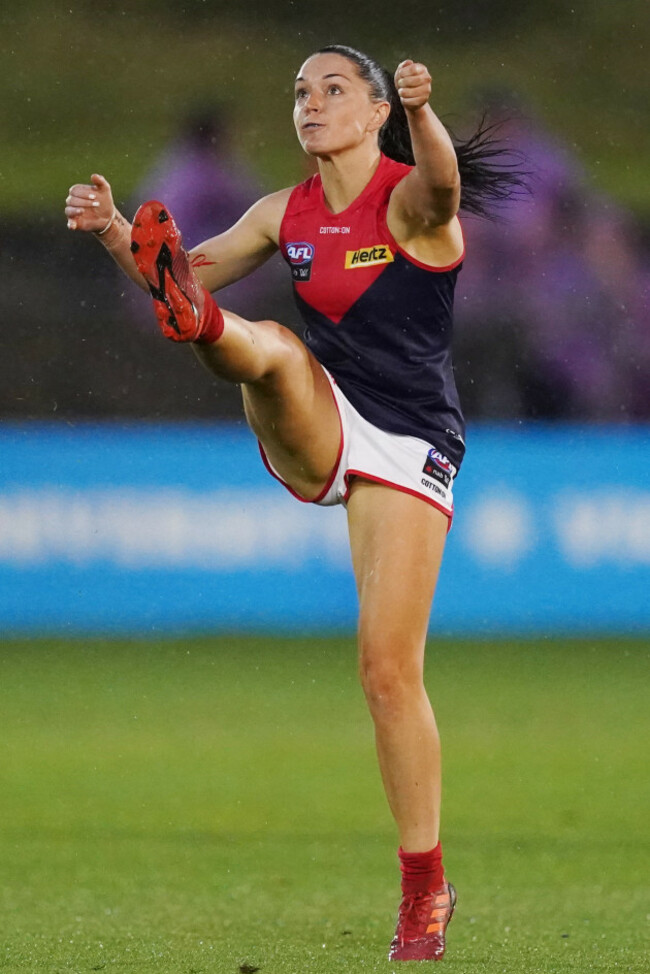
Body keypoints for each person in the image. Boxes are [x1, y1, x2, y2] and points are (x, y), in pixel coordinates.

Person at [65, 44, 524, 962]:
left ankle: (426, 889)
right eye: (301, 93)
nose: (310, 105)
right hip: (320, 409)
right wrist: (118, 229)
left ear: (376, 113)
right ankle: (211, 332)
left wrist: (425, 112)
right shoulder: (285, 212)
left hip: (409, 441)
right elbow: (177, 271)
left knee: (386, 673)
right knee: (267, 345)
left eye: (333, 90)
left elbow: (443, 186)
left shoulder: (409, 198)